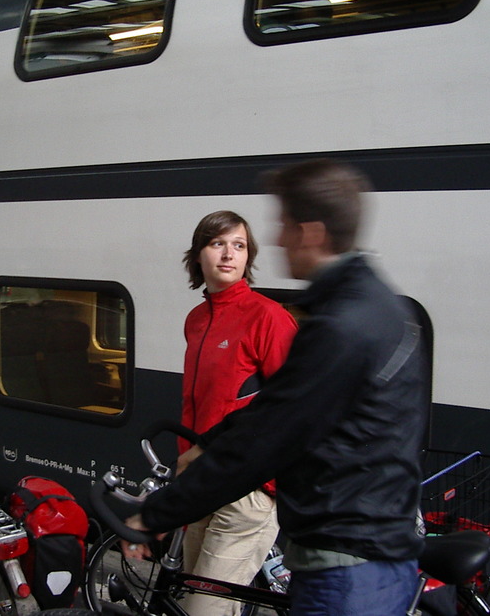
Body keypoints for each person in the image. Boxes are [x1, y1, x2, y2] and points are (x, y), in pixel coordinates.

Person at [130, 160, 428, 615]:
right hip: (365, 555)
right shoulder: (373, 305)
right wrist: (206, 443)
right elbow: (279, 404)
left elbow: (268, 435)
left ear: (310, 232)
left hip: (345, 567)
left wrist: (156, 514)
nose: (277, 240)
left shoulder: (339, 325)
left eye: (283, 226)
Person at [176, 210, 298, 616]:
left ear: (248, 257)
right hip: (201, 481)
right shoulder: (196, 320)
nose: (229, 254)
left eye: (239, 246)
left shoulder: (269, 318)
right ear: (198, 256)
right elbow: (197, 405)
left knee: (204, 610)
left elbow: (291, 406)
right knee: (185, 592)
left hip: (249, 492)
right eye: (217, 244)